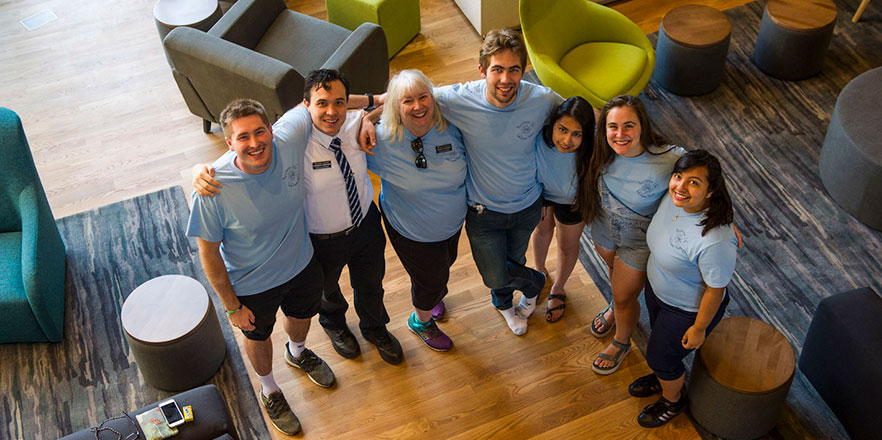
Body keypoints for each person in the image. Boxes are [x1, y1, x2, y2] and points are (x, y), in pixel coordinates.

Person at [361, 29, 564, 335]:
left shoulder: (541, 99)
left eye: (514, 70)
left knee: (512, 259)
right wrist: (368, 116)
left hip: (526, 204)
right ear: (482, 70)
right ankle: (531, 284)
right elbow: (402, 99)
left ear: (524, 70)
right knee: (492, 272)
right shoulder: (457, 99)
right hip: (482, 210)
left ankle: (503, 303)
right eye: (497, 69)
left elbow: (577, 118)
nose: (506, 79)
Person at [194, 70, 404, 365]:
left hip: (365, 225)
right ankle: (335, 325)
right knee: (326, 291)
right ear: (306, 107)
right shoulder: (294, 140)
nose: (331, 112)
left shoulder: (355, 122)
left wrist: (371, 110)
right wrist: (202, 169)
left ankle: (375, 327)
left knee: (371, 283)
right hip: (321, 238)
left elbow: (400, 102)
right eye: (321, 104)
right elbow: (245, 149)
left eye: (339, 103)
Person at [186, 99, 333, 436]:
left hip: (301, 263)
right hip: (251, 285)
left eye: (259, 132)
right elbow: (208, 256)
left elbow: (314, 99)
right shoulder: (212, 189)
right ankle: (270, 389)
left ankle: (297, 352)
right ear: (229, 143)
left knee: (301, 315)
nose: (254, 143)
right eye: (242, 137)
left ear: (271, 129)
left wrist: (373, 107)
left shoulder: (288, 136)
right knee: (259, 335)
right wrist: (232, 307)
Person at [575, 94, 685, 375]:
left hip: (639, 241)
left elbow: (704, 178)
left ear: (642, 125)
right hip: (603, 228)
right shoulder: (599, 149)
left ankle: (621, 340)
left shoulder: (670, 157)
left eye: (629, 126)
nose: (620, 134)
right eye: (613, 127)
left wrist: (720, 216)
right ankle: (616, 305)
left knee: (626, 296)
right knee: (616, 279)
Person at [629, 149, 738, 427]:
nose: (681, 186)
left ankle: (673, 400)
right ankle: (662, 375)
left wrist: (700, 328)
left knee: (660, 356)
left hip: (687, 309)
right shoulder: (673, 199)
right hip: (659, 291)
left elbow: (716, 290)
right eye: (679, 176)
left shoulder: (715, 240)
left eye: (694, 182)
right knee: (660, 345)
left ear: (710, 191)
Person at [366, 69, 467, 351]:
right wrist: (365, 117)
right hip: (410, 229)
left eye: (423, 97)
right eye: (407, 101)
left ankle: (432, 295)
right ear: (395, 107)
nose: (418, 106)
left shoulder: (453, 126)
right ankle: (420, 320)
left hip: (452, 224)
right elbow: (328, 122)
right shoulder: (380, 139)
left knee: (445, 265)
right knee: (432, 280)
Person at [531, 96, 595, 322]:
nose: (567, 140)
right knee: (541, 231)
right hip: (542, 193)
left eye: (576, 134)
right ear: (553, 124)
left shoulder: (592, 148)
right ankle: (539, 271)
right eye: (563, 129)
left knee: (567, 245)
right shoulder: (540, 135)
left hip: (574, 200)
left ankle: (558, 287)